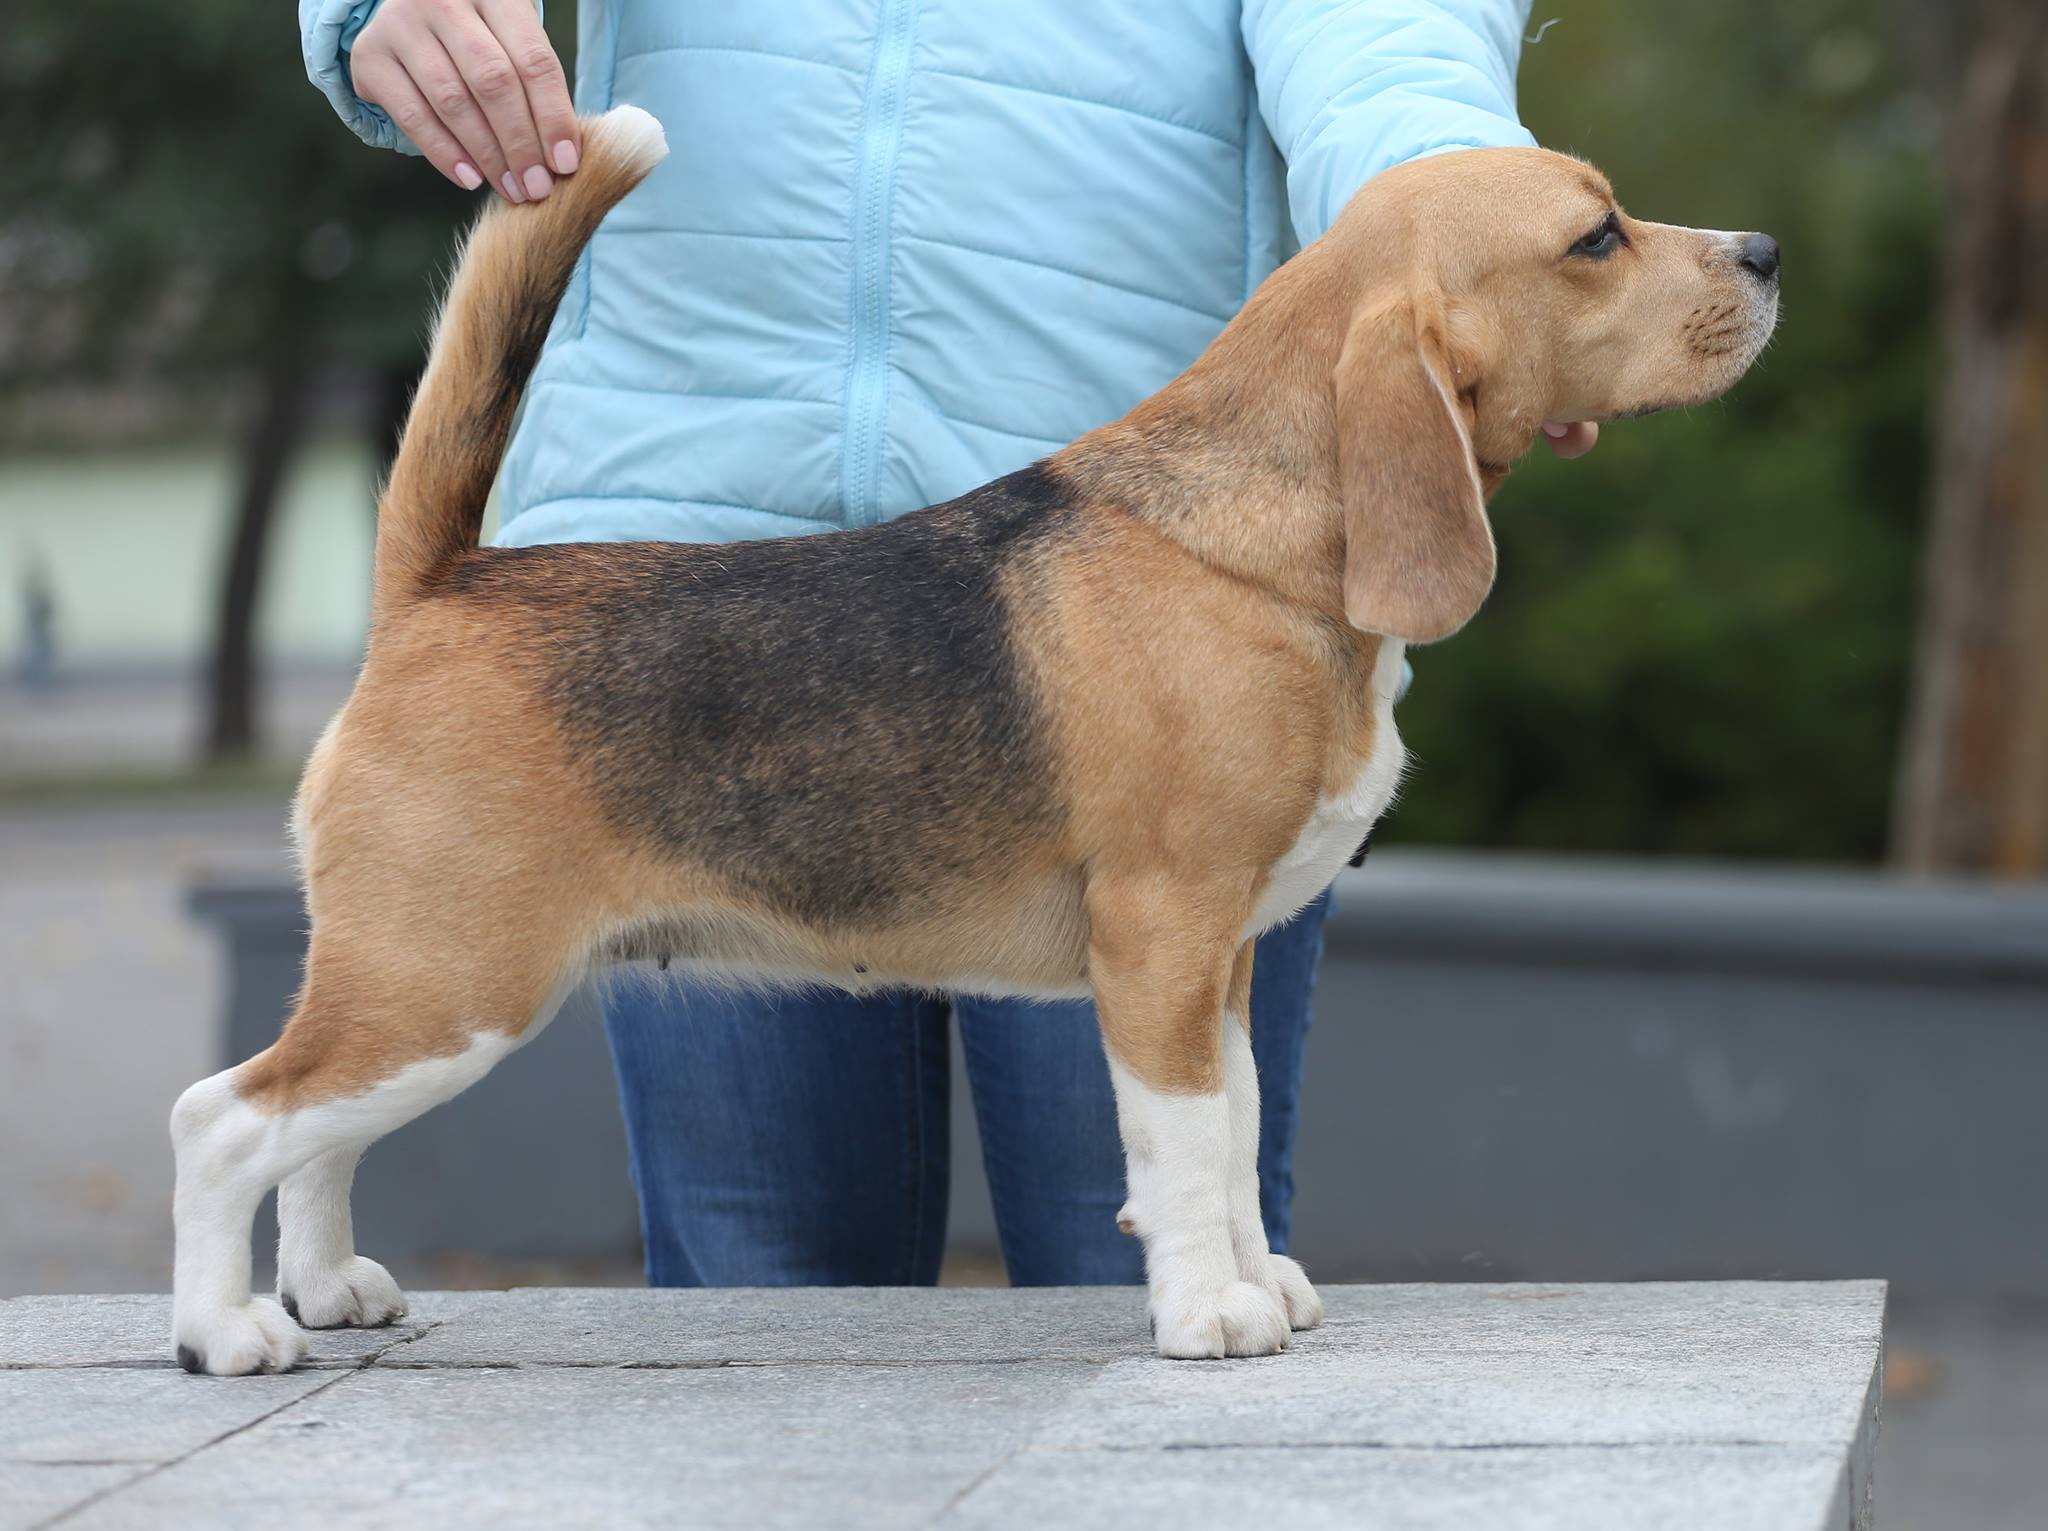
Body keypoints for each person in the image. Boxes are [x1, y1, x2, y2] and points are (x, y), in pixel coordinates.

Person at [299, 0, 1596, 1288]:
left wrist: (1487, 256)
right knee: (760, 1341)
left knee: (1129, 1300)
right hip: (665, 620)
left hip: (1143, 589)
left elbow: (1384, 43)